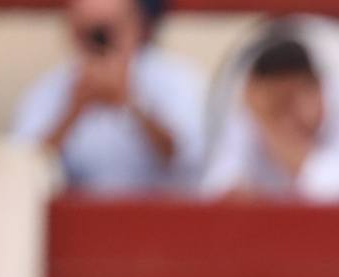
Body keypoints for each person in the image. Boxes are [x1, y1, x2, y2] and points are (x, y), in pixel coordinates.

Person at [11, 0, 205, 195]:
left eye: (105, 31)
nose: (98, 43)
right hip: (77, 220)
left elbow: (188, 159)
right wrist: (73, 111)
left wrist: (132, 104)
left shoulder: (176, 79)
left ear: (137, 25)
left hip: (160, 218)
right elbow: (23, 168)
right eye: (87, 32)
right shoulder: (51, 87)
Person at [200, 28, 339, 201]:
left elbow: (332, 192)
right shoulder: (252, 110)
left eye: (286, 103)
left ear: (317, 89)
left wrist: (268, 124)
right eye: (273, 109)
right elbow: (216, 188)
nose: (281, 118)